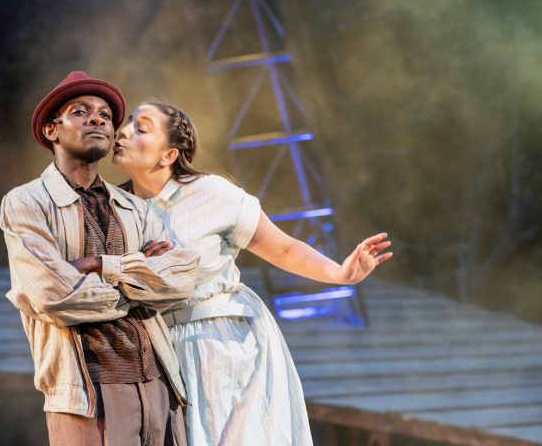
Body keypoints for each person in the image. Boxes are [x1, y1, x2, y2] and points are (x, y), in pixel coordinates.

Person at [71, 99, 393, 445]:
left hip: (225, 340)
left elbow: (283, 247)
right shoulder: (114, 208)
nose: (124, 131)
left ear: (169, 155)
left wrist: (341, 274)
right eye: (127, 124)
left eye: (141, 127)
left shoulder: (211, 193)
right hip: (161, 351)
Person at [0, 72, 201, 446]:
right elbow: (54, 296)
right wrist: (140, 280)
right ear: (51, 131)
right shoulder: (26, 203)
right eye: (80, 111)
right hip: (87, 397)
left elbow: (182, 278)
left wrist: (98, 266)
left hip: (161, 387)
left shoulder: (135, 208)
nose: (97, 119)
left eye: (105, 115)